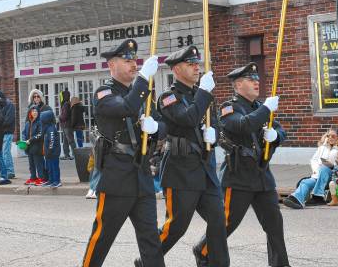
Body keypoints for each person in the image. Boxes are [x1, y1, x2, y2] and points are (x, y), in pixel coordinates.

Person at [193, 63, 286, 267]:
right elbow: (243, 125)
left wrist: (276, 135)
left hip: (262, 175)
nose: (256, 82)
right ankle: (204, 250)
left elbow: (281, 131)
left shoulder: (260, 107)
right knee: (225, 224)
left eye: (257, 79)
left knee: (274, 226)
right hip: (238, 176)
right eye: (251, 80)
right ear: (238, 84)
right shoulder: (229, 107)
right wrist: (266, 109)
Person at [81, 39, 164, 267]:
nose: (133, 64)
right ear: (111, 65)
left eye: (134, 60)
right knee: (101, 239)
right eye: (127, 60)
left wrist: (155, 128)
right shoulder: (103, 93)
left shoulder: (143, 96)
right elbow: (125, 107)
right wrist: (143, 79)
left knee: (151, 241)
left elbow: (164, 125)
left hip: (142, 175)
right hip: (116, 177)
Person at [154, 46, 229, 267]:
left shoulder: (202, 94)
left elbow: (215, 124)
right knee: (176, 226)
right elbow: (187, 118)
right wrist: (204, 94)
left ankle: (211, 261)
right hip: (180, 168)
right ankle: (147, 260)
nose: (197, 67)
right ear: (176, 69)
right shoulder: (168, 97)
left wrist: (214, 135)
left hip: (205, 168)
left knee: (218, 221)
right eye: (191, 64)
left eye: (198, 64)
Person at [284, 126, 338, 209]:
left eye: (333, 136)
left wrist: (333, 166)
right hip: (318, 175)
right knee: (305, 182)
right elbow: (314, 160)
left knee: (324, 168)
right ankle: (296, 199)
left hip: (334, 177)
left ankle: (318, 197)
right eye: (328, 136)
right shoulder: (322, 148)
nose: (330, 138)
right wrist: (315, 171)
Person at [26, 89, 53, 186]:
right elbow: (27, 123)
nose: (36, 98)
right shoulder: (30, 108)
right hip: (31, 142)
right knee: (32, 161)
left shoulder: (46, 108)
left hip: (43, 138)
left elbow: (51, 121)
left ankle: (45, 177)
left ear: (41, 97)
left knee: (41, 161)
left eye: (38, 96)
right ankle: (34, 177)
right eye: (34, 96)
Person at [0, 90, 16, 179]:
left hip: (8, 131)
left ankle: (10, 171)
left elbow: (8, 120)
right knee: (2, 152)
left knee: (6, 152)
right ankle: (5, 170)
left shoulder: (9, 105)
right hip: (1, 132)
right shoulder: (0, 105)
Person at [41, 109, 61, 188]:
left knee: (54, 167)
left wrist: (49, 150)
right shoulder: (46, 128)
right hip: (48, 153)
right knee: (49, 167)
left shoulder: (51, 129)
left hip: (53, 153)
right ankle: (50, 180)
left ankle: (57, 181)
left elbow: (51, 141)